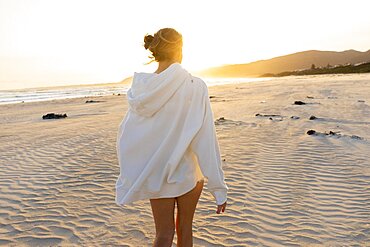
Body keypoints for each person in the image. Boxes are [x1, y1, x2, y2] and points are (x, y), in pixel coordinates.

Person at [115, 27, 228, 247]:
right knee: (185, 230)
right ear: (180, 50)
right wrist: (218, 187)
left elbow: (129, 134)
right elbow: (205, 139)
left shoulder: (142, 90)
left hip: (157, 173)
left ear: (155, 50)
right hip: (188, 173)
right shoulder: (195, 86)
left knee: (163, 234)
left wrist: (138, 169)